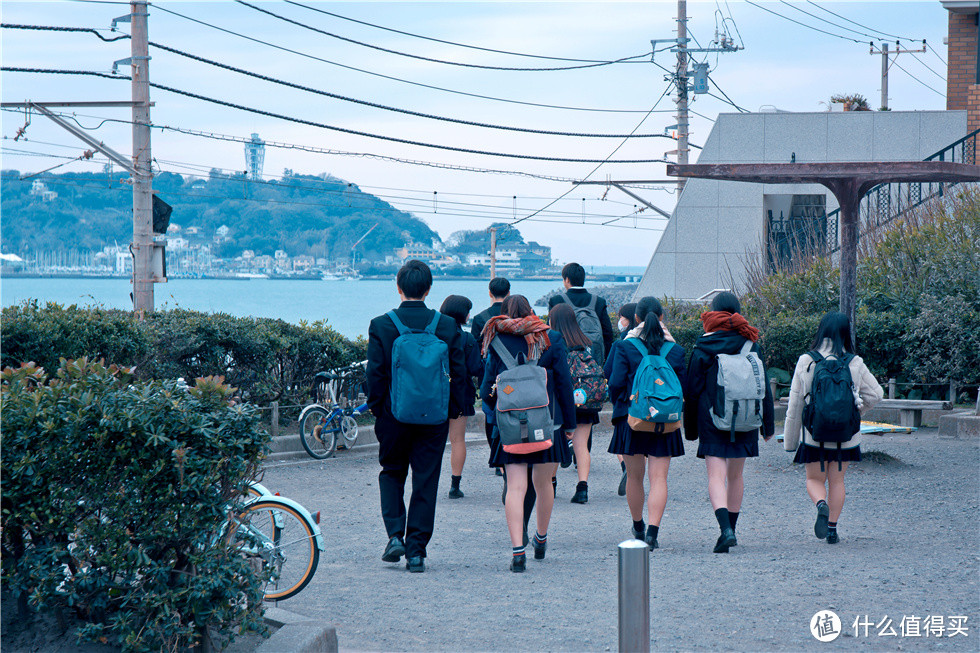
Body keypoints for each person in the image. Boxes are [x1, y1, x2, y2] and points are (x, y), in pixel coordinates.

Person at [367, 260, 466, 573]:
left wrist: (377, 410)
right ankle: (416, 553)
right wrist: (453, 412)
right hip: (434, 417)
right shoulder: (447, 326)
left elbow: (375, 374)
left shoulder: (382, 324)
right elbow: (460, 376)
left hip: (393, 416)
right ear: (428, 288)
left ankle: (395, 535)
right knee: (426, 480)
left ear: (398, 287)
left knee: (392, 472)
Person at [481, 295, 576, 572]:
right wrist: (569, 424)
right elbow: (564, 385)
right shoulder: (551, 338)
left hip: (511, 426)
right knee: (544, 483)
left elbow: (487, 388)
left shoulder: (496, 339)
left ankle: (517, 552)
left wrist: (499, 410)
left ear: (505, 314)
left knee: (516, 486)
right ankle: (541, 538)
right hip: (548, 423)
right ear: (531, 311)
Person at [684, 291, 775, 553]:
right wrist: (767, 426)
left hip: (712, 418)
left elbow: (692, 391)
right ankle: (732, 530)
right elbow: (763, 387)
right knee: (736, 476)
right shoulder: (749, 341)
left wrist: (691, 429)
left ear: (713, 312)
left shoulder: (703, 345)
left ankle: (724, 530)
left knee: (716, 476)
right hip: (745, 417)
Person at [783, 312, 883, 544]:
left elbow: (795, 403)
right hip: (845, 437)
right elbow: (876, 394)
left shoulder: (807, 361)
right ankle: (832, 530)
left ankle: (821, 505)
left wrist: (790, 443)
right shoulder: (854, 362)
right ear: (845, 334)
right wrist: (855, 412)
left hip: (814, 434)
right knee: (837, 481)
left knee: (814, 480)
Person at [606, 296, 686, 548]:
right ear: (662, 318)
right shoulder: (675, 350)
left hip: (632, 419)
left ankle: (638, 525)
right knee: (659, 478)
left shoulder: (624, 347)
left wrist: (624, 402)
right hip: (665, 420)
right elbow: (683, 387)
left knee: (634, 477)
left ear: (636, 319)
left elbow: (615, 382)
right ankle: (653, 532)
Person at [548, 303, 605, 504]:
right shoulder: (586, 342)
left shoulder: (555, 343)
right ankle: (582, 488)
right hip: (587, 401)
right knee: (582, 447)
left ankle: (551, 484)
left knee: (554, 444)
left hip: (563, 402)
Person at [439, 295, 485, 499]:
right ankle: (454, 486)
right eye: (468, 311)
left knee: (432, 440)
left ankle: (427, 481)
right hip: (460, 393)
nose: (469, 315)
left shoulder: (433, 335)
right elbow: (476, 368)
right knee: (457, 440)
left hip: (433, 393)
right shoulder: (466, 339)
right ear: (461, 314)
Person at [472, 277, 511, 452]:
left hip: (489, 374)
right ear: (509, 293)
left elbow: (475, 348)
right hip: (512, 371)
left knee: (490, 414)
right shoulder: (515, 317)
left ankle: (495, 455)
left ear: (490, 293)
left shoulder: (480, 318)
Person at [547, 263, 614, 364]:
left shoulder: (556, 301)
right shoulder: (598, 301)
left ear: (567, 280)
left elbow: (551, 332)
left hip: (565, 361)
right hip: (594, 361)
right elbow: (608, 333)